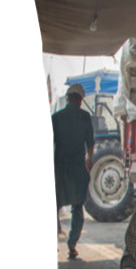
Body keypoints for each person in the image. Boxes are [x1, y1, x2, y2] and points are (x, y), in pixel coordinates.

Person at [52, 83, 94, 259]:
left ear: (68, 98)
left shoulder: (56, 117)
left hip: (60, 167)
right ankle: (72, 245)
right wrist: (89, 160)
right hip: (77, 168)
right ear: (80, 100)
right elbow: (90, 144)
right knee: (77, 207)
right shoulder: (85, 117)